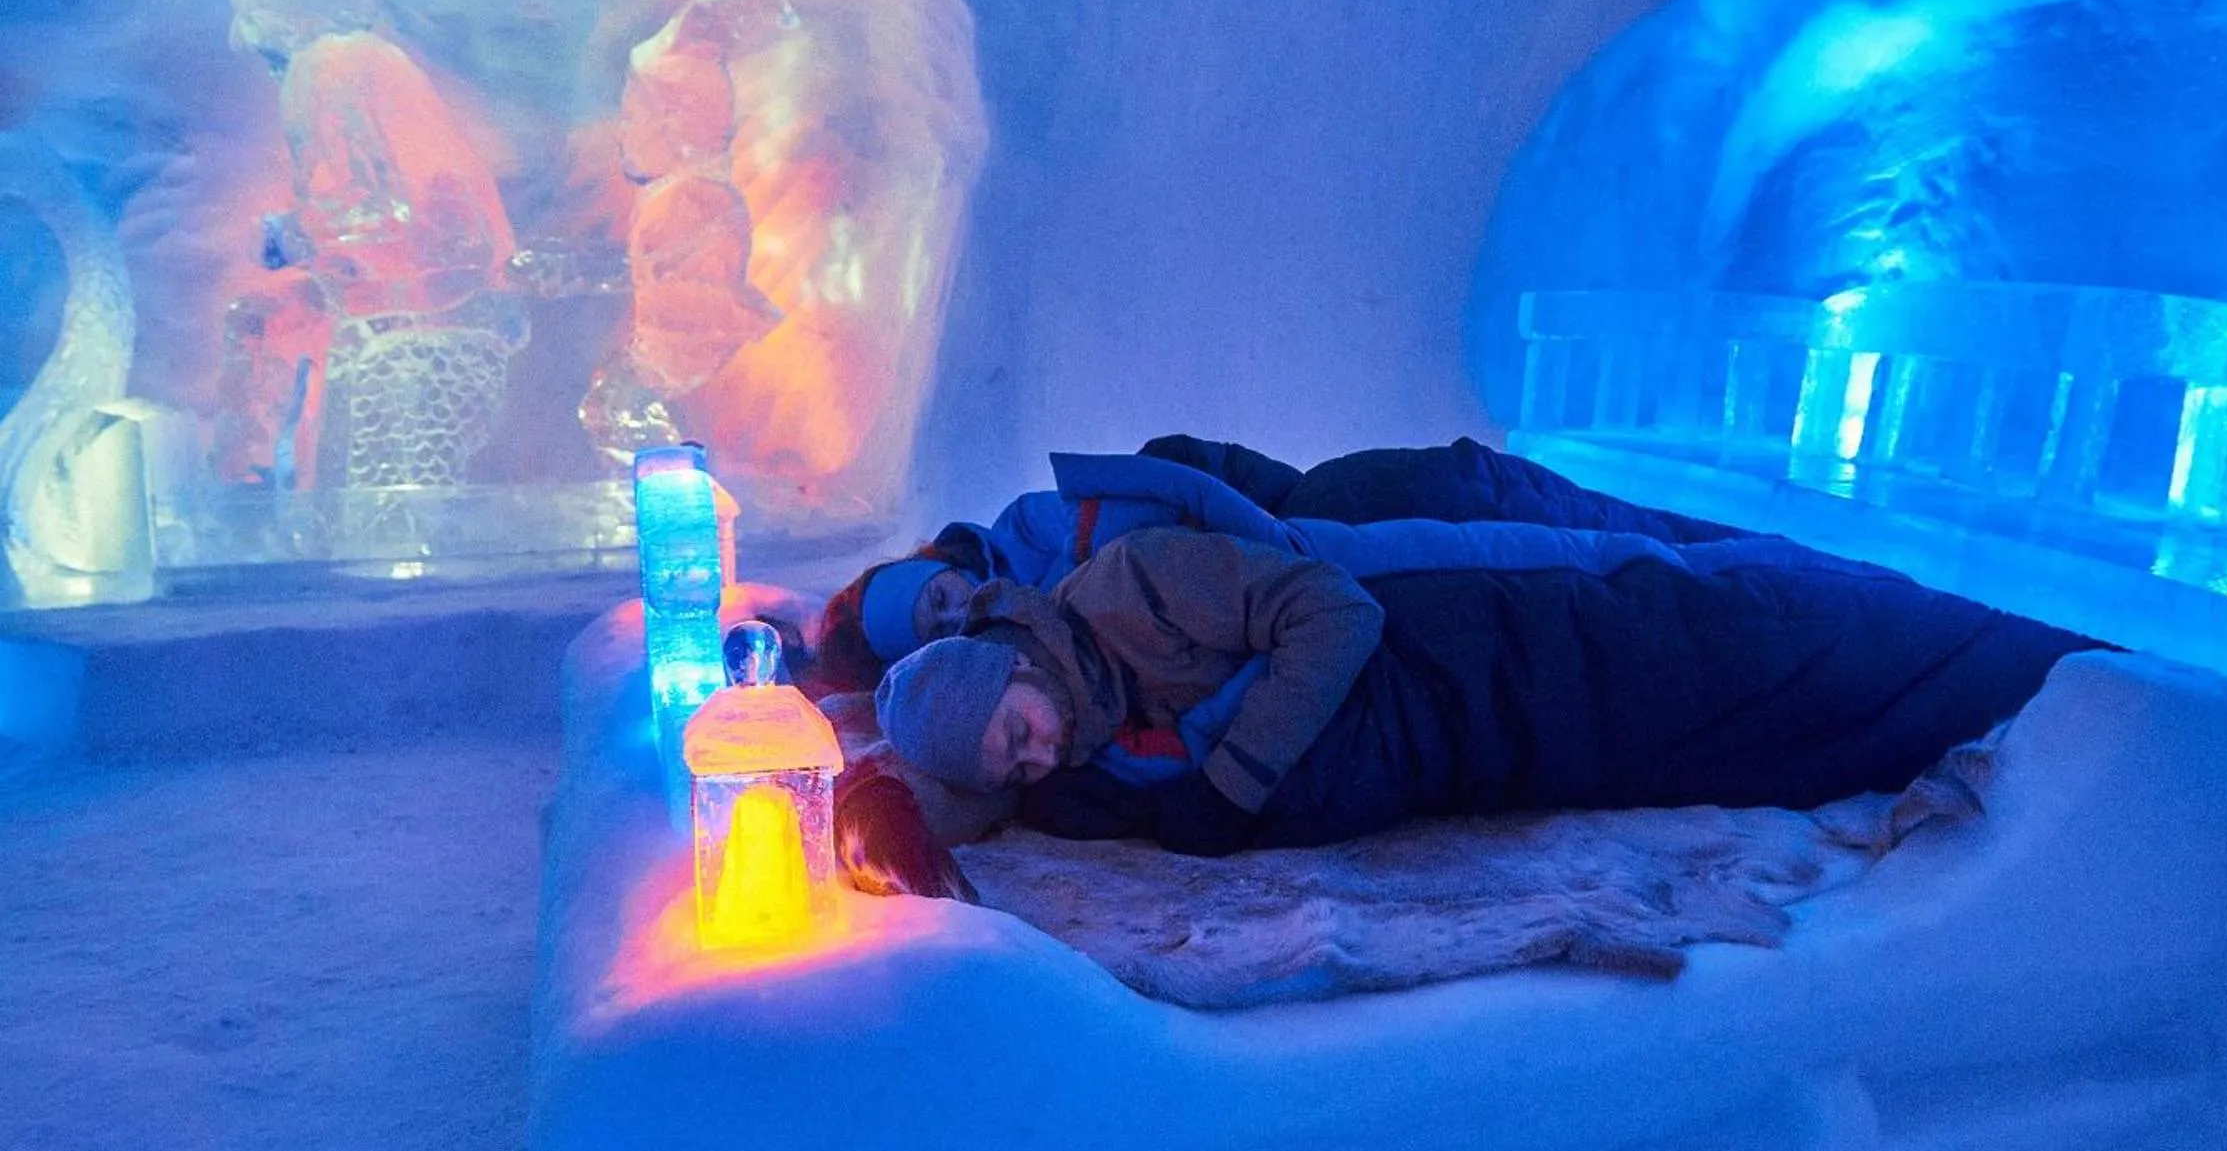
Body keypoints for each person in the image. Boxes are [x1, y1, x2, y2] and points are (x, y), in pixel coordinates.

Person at [857, 525, 2102, 878]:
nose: (1033, 761)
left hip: (1478, 621)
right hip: (1494, 733)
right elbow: (966, 792)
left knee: (1771, 638)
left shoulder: (1128, 588)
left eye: (1012, 734)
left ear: (1014, 671)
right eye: (1010, 766)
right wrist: (883, 809)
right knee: (1767, 750)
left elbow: (1333, 610)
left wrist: (1238, 778)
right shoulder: (1074, 727)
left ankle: (2099, 671)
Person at [802, 435, 1752, 692]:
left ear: (939, 565)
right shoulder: (1032, 674)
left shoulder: (1034, 526)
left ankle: (1737, 547)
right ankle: (1742, 574)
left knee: (1493, 487)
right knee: (1574, 568)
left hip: (1312, 513)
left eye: (933, 595)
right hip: (1321, 580)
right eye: (934, 630)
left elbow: (1187, 474)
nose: (950, 610)